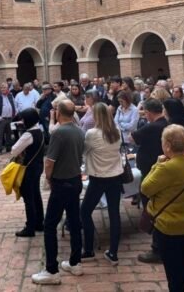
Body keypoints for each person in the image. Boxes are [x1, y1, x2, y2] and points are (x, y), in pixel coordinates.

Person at [141, 125, 184, 291]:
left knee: (174, 273)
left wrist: (157, 164)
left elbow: (145, 188)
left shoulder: (166, 167)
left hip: (169, 227)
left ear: (167, 145)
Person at [32, 100, 85, 285]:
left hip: (62, 183)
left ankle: (51, 270)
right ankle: (75, 262)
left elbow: (50, 161)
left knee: (49, 225)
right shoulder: (79, 130)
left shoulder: (59, 132)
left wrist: (48, 178)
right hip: (75, 180)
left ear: (58, 113)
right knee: (74, 221)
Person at [81, 102, 123, 265]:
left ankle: (89, 250)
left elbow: (85, 151)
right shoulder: (117, 131)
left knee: (85, 211)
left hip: (98, 177)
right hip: (115, 176)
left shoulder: (92, 133)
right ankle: (113, 252)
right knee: (114, 213)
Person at [132, 98, 170, 263]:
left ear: (148, 112)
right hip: (160, 168)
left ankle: (157, 247)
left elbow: (133, 137)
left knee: (152, 207)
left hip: (151, 171)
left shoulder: (152, 126)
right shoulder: (167, 124)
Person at [11, 108, 46, 237]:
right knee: (36, 195)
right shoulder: (39, 130)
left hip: (28, 169)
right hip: (38, 166)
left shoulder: (28, 135)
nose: (22, 122)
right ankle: (39, 223)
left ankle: (30, 227)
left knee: (28, 198)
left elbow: (14, 150)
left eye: (23, 119)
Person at [0, 84, 16, 154]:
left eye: (5, 87)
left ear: (7, 88)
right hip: (1, 119)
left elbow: (14, 105)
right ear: (0, 89)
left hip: (9, 118)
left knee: (9, 134)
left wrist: (14, 113)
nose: (3, 89)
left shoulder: (10, 96)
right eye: (2, 87)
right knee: (0, 135)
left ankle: (8, 148)